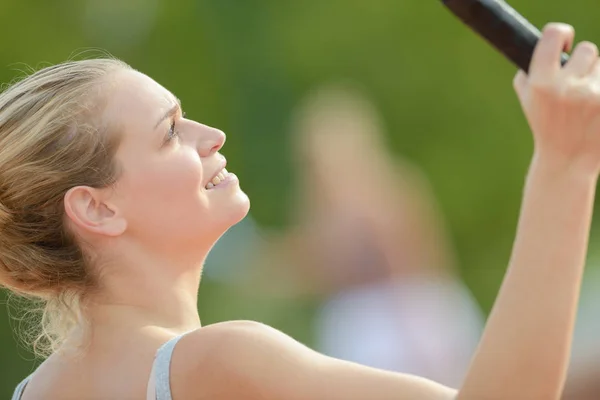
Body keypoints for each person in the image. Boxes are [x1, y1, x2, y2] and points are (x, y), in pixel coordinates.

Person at [1, 22, 597, 399]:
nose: (211, 135)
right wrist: (566, 164)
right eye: (169, 132)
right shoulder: (216, 364)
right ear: (96, 209)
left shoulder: (34, 391)